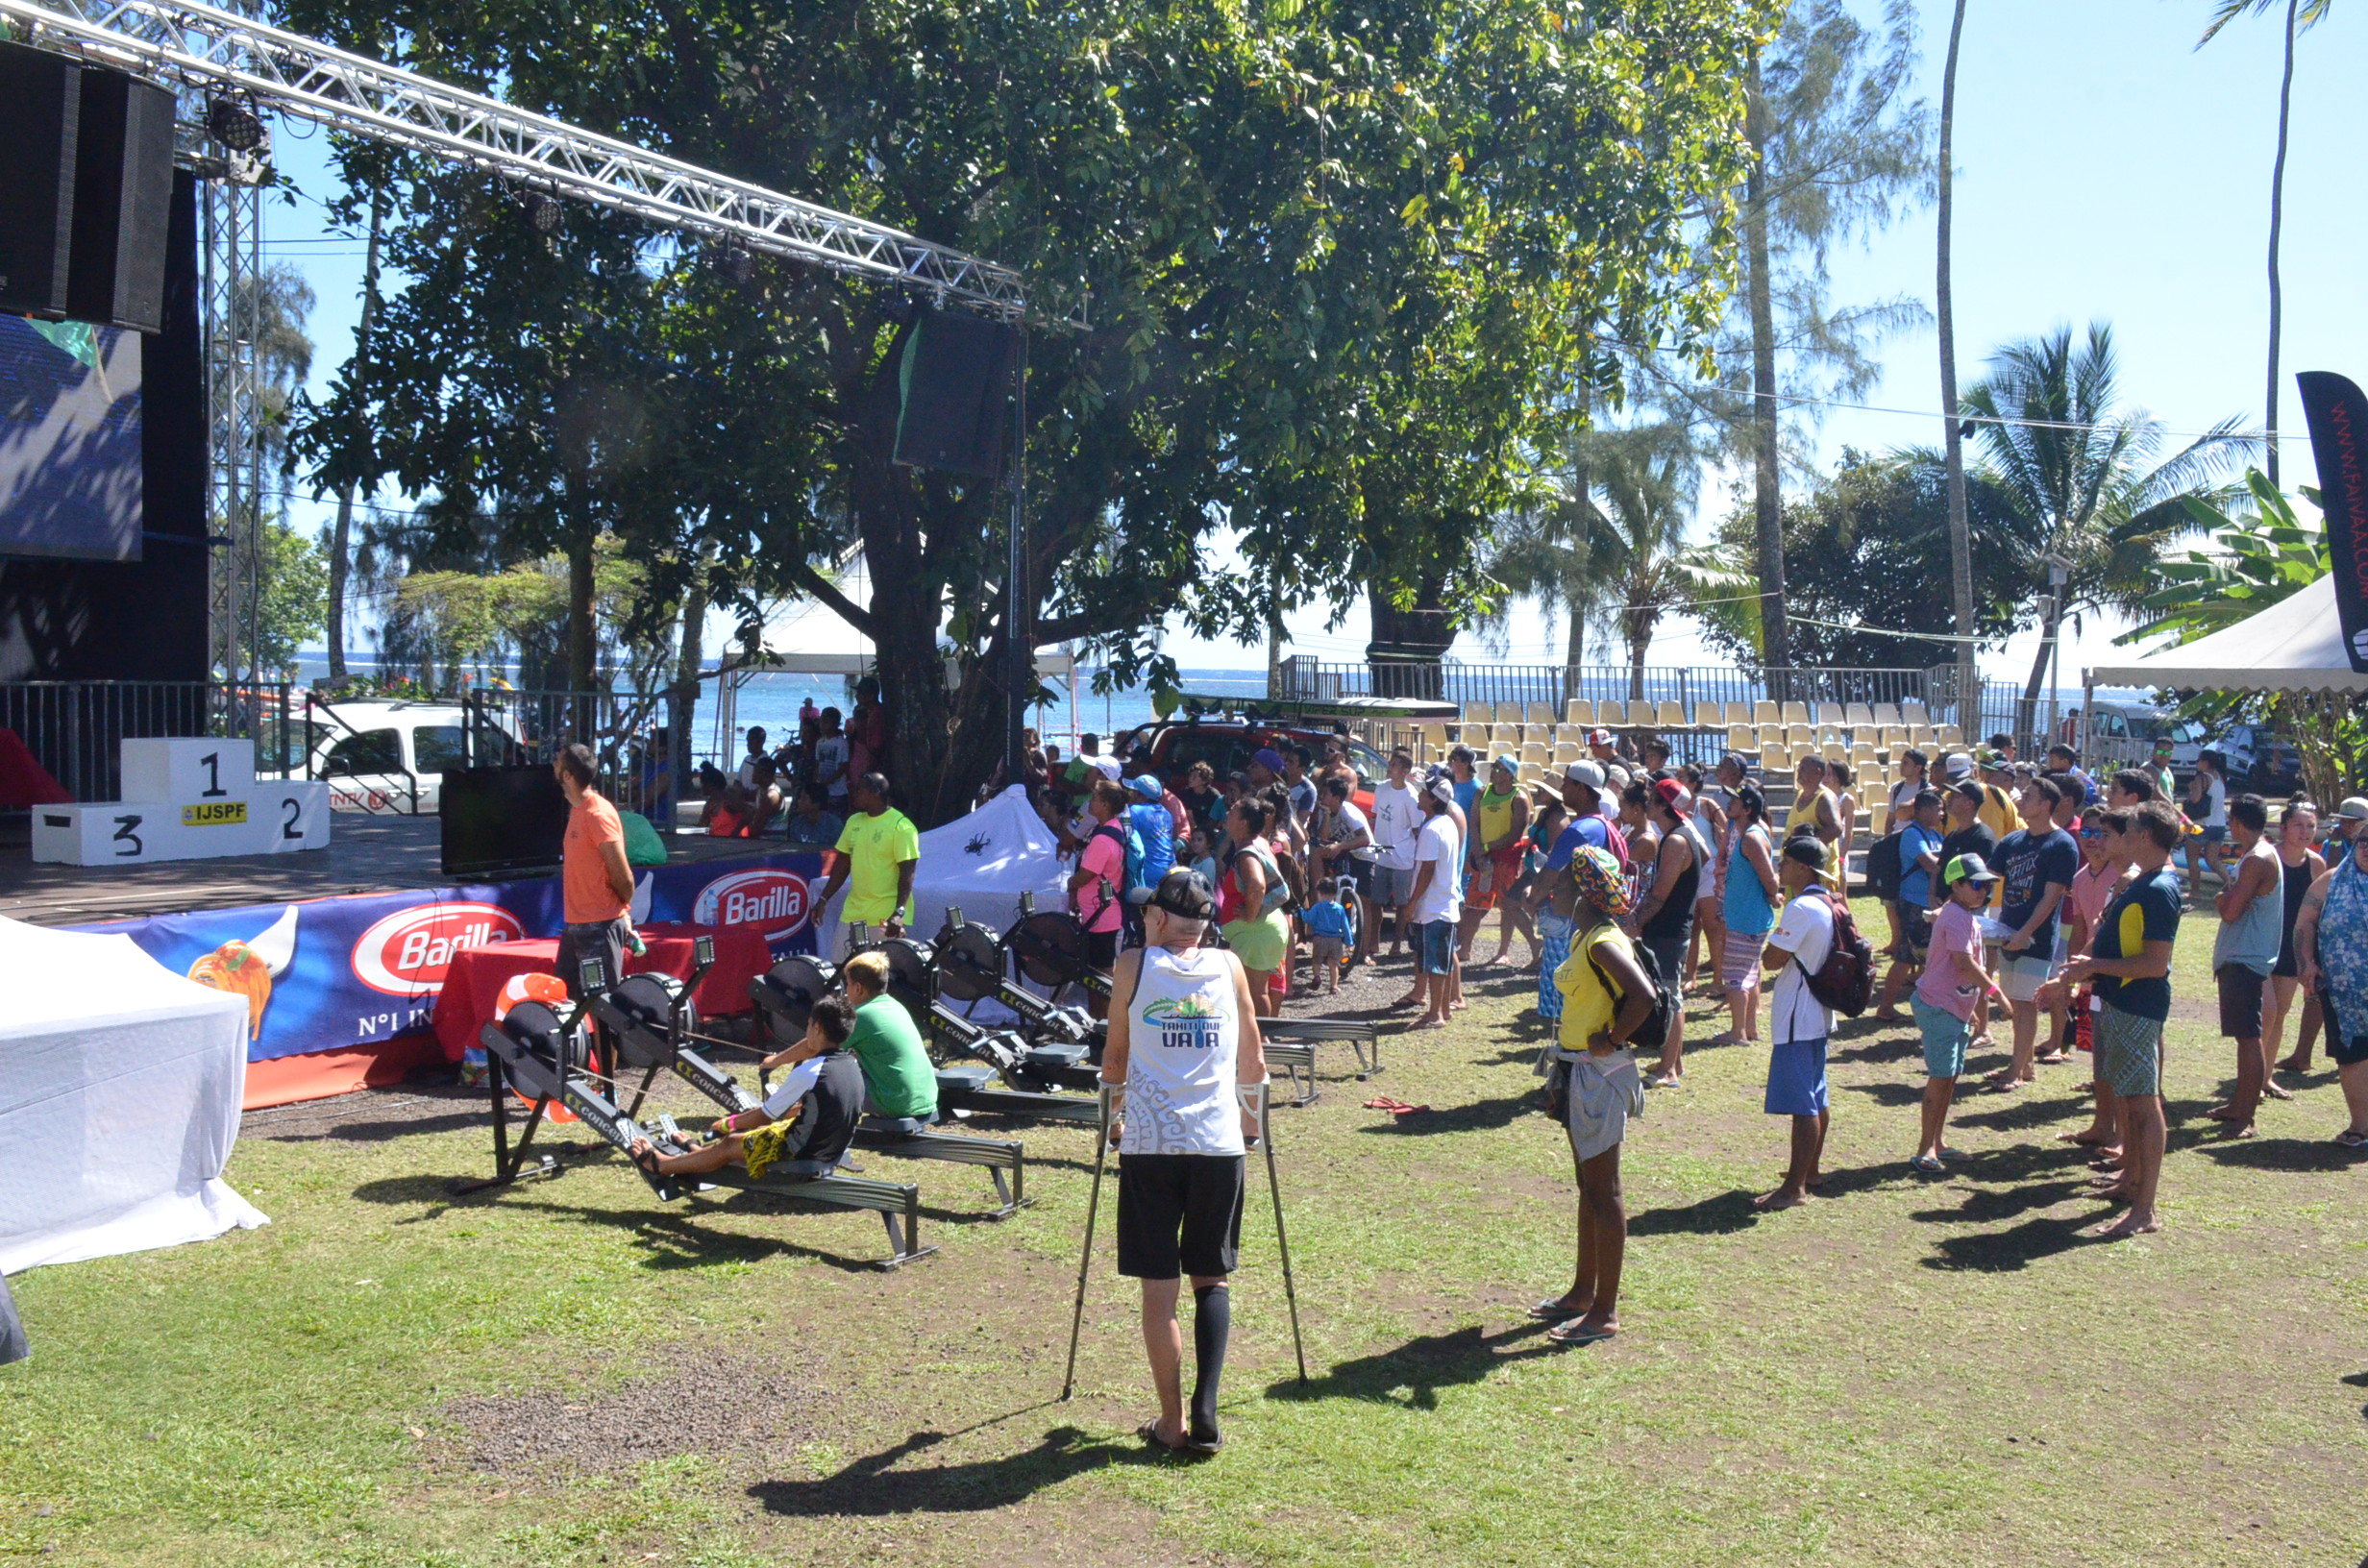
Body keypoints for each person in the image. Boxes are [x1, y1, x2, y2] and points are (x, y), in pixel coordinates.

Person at [1101, 867, 1268, 1454]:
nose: (1144, 919)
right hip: (1218, 1144)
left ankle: (1172, 1422)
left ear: (1165, 919)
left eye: (1150, 913)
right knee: (1210, 1276)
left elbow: (1115, 1056)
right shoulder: (1229, 966)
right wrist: (1250, 1124)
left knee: (1158, 1287)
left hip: (1151, 1145)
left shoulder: (1133, 965)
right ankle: (1207, 1411)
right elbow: (1253, 1053)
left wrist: (1113, 1114)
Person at [1531, 845, 1652, 1346]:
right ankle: (1582, 1293)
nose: (1553, 889)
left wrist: (1612, 1038)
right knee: (1590, 1188)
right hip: (1579, 1069)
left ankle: (1604, 1313)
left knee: (1606, 1192)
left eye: (1560, 883)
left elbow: (1644, 996)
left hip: (1599, 1074)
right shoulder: (1589, 936)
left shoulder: (1603, 941)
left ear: (1581, 892)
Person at [2052, 800, 2185, 1237]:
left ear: (2145, 837)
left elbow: (2154, 964)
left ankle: (2144, 1210)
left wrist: (2093, 967)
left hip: (2136, 1006)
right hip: (2119, 1003)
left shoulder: (2158, 888)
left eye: (2127, 832)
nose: (2119, 839)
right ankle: (2130, 1180)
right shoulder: (2143, 880)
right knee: (2130, 1098)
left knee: (2145, 1105)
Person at [630, 995, 865, 1180]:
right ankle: (694, 1151)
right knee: (738, 1141)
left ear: (818, 1028)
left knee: (732, 1142)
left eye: (809, 1025)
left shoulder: (810, 1071)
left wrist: (727, 1123)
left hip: (806, 1152)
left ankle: (661, 1164)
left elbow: (764, 1117)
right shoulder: (851, 1062)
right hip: (834, 1147)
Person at [1756, 836, 1838, 1211]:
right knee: (1817, 1094)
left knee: (1803, 1102)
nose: (1780, 868)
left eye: (1785, 861)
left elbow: (1772, 960)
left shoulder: (1802, 908)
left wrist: (1771, 944)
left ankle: (1794, 1188)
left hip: (1797, 1015)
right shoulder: (1829, 902)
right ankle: (1811, 1171)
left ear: (1803, 868)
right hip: (1818, 1012)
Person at [1912, 854, 2004, 1171]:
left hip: (1955, 1009)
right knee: (1940, 1079)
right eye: (1976, 885)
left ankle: (1938, 1141)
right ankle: (1926, 1149)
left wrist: (1972, 1010)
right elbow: (1965, 964)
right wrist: (1997, 995)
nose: (1983, 892)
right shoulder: (1954, 916)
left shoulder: (1965, 916)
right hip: (1940, 1008)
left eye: (1987, 886)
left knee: (1950, 1077)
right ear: (1957, 885)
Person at [1987, 775, 2077, 1089]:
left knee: (2025, 1005)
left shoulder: (2061, 844)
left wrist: (2025, 932)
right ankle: (2025, 1068)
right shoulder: (2013, 841)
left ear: (2045, 805)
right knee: (2015, 1000)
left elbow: (2051, 897)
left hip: (2034, 938)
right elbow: (1987, 878)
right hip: (2007, 933)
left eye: (2028, 796)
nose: (2021, 800)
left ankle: (2015, 1071)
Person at [2059, 809, 2136, 1157]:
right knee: (2097, 1052)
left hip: (2115, 975)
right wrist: (2074, 973)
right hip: (2090, 972)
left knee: (2119, 1059)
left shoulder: (2126, 878)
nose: (2093, 841)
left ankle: (2122, 1135)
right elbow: (2080, 930)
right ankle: (2102, 1124)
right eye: (2088, 833)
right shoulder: (2079, 877)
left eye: (2101, 833)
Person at [2206, 793, 2283, 1138]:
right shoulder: (2258, 855)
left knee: (2249, 1038)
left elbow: (2230, 909)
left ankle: (2246, 1116)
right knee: (2244, 1037)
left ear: (2236, 823)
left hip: (2245, 960)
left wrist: (2221, 897)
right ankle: (2239, 1105)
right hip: (2243, 958)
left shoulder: (2256, 860)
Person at [2293, 820, 2368, 1146]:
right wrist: (2306, 963)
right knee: (2352, 1056)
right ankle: (2360, 1126)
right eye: (2364, 840)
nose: (2367, 848)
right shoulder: (2331, 881)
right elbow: (2305, 924)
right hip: (2341, 991)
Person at [1636, 779, 1706, 1088]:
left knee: (1670, 998)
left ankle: (1669, 1070)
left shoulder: (1676, 841)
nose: (1647, 804)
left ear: (1664, 805)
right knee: (1668, 995)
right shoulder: (1682, 835)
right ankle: (1672, 1061)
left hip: (1668, 932)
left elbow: (1659, 894)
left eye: (1652, 799)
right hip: (1670, 930)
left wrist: (1635, 920)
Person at [554, 743, 637, 999]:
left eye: (558, 761)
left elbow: (624, 877)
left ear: (568, 775)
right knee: (565, 1005)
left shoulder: (598, 814)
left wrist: (619, 913)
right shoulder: (578, 810)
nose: (553, 765)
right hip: (575, 925)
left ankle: (608, 1043)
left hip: (600, 925)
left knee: (605, 1010)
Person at [816, 772, 920, 951]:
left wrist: (899, 912)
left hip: (885, 916)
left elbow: (907, 874)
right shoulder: (853, 821)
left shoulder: (901, 826)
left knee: (878, 973)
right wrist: (823, 898)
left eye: (859, 790)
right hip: (853, 912)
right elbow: (842, 865)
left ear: (876, 793)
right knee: (840, 969)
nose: (853, 793)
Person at [1873, 789, 1946, 1022]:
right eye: (1938, 808)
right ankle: (1885, 1007)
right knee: (1905, 957)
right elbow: (1931, 865)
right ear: (1924, 810)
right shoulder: (1911, 835)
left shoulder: (1936, 835)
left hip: (1928, 904)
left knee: (1927, 957)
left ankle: (1925, 1004)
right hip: (1913, 904)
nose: (1942, 813)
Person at [1715, 784, 1779, 1047]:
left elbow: (1771, 882)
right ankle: (1749, 1029)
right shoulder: (1747, 835)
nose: (1729, 804)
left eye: (1736, 801)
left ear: (1748, 809)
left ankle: (1737, 1032)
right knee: (1749, 974)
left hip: (1747, 918)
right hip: (1746, 915)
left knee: (1735, 977)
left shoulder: (1752, 838)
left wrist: (1773, 894)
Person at [2270, 800, 2330, 1075]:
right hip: (2264, 942)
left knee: (2279, 1014)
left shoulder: (2316, 864)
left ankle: (2265, 1076)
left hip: (2291, 947)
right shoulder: (2268, 858)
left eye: (2311, 826)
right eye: (2298, 825)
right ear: (2284, 828)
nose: (2305, 832)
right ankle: (2255, 1075)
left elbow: (2319, 913)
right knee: (2261, 1014)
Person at [1218, 797, 1290, 1017]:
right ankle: (1259, 1042)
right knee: (1257, 991)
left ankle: (1260, 1041)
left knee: (1255, 993)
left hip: (1257, 932)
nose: (1228, 812)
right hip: (1264, 930)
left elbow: (1257, 885)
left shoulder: (1246, 853)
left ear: (1244, 823)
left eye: (1233, 811)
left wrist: (1251, 914)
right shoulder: (1261, 843)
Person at [1405, 779, 1465, 1030]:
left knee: (1435, 964)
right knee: (1442, 960)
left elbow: (1427, 871)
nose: (1418, 796)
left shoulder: (1432, 830)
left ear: (1432, 799)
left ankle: (1435, 1014)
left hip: (1433, 908)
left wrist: (1411, 904)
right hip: (1444, 904)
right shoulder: (1447, 823)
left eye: (1423, 793)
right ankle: (1442, 1010)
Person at [1461, 756, 1532, 965]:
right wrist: (1478, 851)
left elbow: (1515, 834)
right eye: (1493, 767)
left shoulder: (1519, 798)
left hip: (1505, 859)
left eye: (1499, 769)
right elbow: (1474, 823)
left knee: (1506, 906)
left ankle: (1503, 952)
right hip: (1483, 858)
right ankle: (1464, 949)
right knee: (1474, 904)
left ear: (1510, 774)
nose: (1493, 771)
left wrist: (1485, 848)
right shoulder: (1483, 792)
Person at [1072, 780, 1133, 1002]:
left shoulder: (1101, 839)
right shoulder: (1115, 827)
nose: (1090, 802)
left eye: (1095, 798)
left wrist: (1070, 883)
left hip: (1101, 918)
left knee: (1100, 978)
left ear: (1105, 805)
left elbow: (1085, 876)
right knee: (1100, 975)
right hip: (1105, 914)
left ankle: (1104, 1024)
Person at [1308, 773, 1376, 963]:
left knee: (1363, 902)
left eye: (1326, 793)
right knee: (1316, 851)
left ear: (1337, 798)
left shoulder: (1349, 812)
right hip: (1345, 853)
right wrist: (1327, 816)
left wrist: (1339, 846)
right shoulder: (1326, 810)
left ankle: (1364, 953)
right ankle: (1320, 890)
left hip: (1363, 854)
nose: (1322, 796)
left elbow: (1365, 839)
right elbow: (1324, 839)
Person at [1368, 749, 1422, 961]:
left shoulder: (1411, 795)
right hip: (1381, 852)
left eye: (1394, 764)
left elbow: (1416, 828)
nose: (1389, 767)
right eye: (1390, 763)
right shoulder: (1380, 789)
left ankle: (1397, 943)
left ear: (1405, 771)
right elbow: (1376, 817)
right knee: (1376, 901)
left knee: (1401, 903)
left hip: (1403, 855)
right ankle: (1374, 942)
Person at [1787, 755, 1842, 892]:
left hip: (1818, 876)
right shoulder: (1800, 794)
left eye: (1804, 769)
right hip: (1799, 873)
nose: (1799, 772)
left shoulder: (1825, 798)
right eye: (1799, 768)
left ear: (1818, 772)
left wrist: (1806, 850)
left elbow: (1836, 828)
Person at [2187, 747, 2230, 903]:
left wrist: (2192, 789)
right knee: (2213, 860)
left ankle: (2195, 891)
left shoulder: (2202, 778)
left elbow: (2195, 799)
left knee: (2192, 858)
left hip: (2202, 824)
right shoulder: (2220, 777)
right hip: (2219, 825)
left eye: (2198, 760)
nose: (2197, 763)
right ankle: (2231, 883)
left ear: (2205, 762)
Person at [1303, 877, 1353, 994]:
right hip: (1336, 940)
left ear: (1319, 893)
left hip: (1320, 938)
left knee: (1317, 961)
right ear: (1335, 894)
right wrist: (1349, 942)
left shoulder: (1318, 907)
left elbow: (1309, 919)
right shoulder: (1340, 909)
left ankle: (1316, 976)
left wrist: (1300, 912)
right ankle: (1334, 986)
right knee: (1334, 964)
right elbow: (1345, 926)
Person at [848, 674, 890, 784]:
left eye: (860, 693)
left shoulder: (877, 715)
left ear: (871, 696)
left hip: (876, 766)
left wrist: (868, 772)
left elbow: (876, 746)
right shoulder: (871, 712)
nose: (857, 696)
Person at [782, 782, 846, 848]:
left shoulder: (834, 825)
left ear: (816, 803)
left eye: (803, 798)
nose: (798, 801)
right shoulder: (796, 823)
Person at [814, 707, 851, 806]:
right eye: (821, 721)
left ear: (835, 724)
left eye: (826, 722)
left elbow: (843, 766)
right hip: (822, 790)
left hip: (838, 791)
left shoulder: (841, 743)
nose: (822, 725)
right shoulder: (820, 742)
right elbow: (817, 764)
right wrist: (816, 783)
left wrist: (829, 781)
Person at [735, 726, 772, 794]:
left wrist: (749, 795)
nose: (748, 744)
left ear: (761, 742)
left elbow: (766, 786)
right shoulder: (746, 759)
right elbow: (737, 781)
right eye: (748, 741)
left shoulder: (766, 763)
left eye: (752, 741)